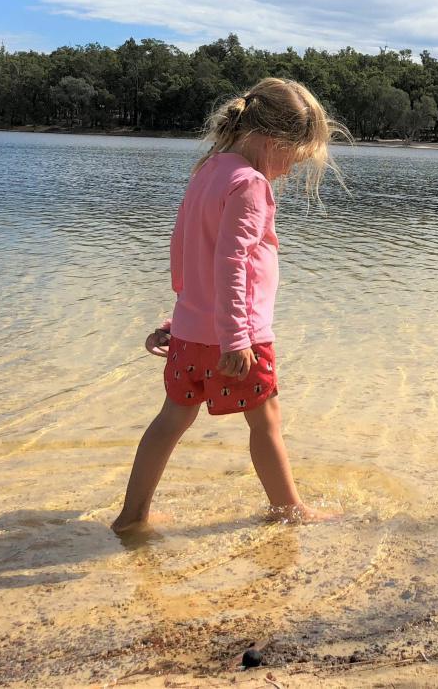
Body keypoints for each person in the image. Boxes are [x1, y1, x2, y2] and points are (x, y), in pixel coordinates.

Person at [112, 77, 347, 534]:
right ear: (271, 141)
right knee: (266, 424)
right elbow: (232, 261)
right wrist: (236, 338)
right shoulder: (250, 183)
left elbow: (182, 248)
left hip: (192, 333)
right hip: (237, 338)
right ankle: (290, 510)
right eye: (294, 158)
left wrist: (179, 317)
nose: (291, 170)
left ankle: (131, 516)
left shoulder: (208, 170)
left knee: (171, 420)